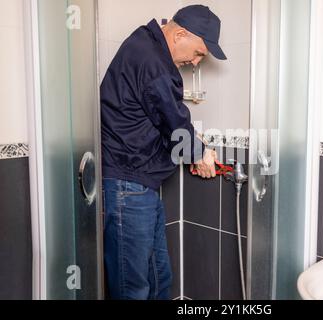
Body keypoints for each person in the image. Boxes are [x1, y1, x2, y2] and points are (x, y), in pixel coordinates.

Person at [100, 5, 226, 300]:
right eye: (198, 54)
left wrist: (199, 151)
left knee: (158, 276)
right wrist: (199, 155)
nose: (195, 63)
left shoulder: (146, 45)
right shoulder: (152, 61)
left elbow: (162, 120)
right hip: (127, 186)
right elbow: (173, 119)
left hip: (139, 183)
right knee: (133, 288)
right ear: (180, 33)